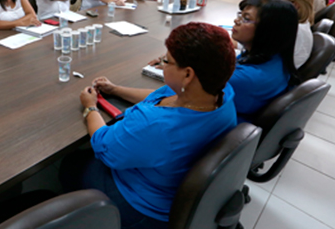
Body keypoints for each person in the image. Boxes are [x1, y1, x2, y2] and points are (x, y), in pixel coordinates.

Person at [59, 22, 237, 228]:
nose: (161, 64)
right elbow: (160, 96)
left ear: (188, 75)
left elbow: (103, 144)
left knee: (71, 165)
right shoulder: (220, 93)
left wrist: (90, 107)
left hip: (142, 206)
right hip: (171, 183)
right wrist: (115, 89)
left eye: (166, 61)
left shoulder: (156, 125)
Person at [230, 0, 299, 120]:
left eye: (246, 18)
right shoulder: (276, 57)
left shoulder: (245, 78)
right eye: (240, 15)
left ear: (268, 30)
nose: (236, 20)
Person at [273, 0, 315, 68]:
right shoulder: (299, 23)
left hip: (274, 70)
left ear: (294, 5)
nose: (272, 4)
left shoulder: (293, 30)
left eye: (276, 1)